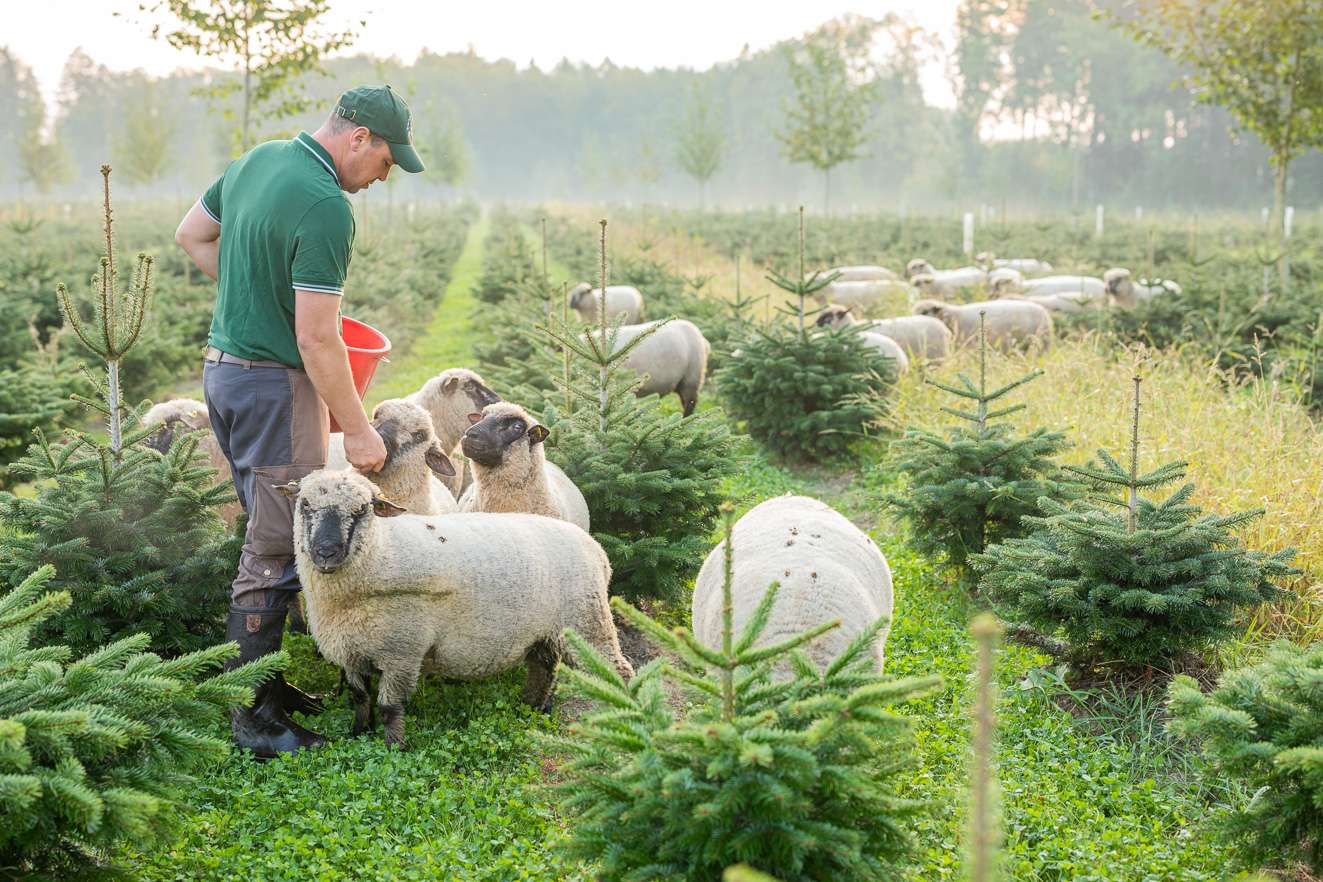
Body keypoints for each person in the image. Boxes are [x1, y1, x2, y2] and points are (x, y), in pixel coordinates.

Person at [174, 85, 425, 758]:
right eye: (384, 162)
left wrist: (248, 298)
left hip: (224, 372)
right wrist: (361, 430)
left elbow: (191, 234)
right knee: (278, 547)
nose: (382, 177)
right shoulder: (324, 206)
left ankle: (268, 686)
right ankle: (251, 719)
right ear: (359, 140)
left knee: (266, 525)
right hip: (276, 388)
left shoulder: (258, 160)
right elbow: (317, 339)